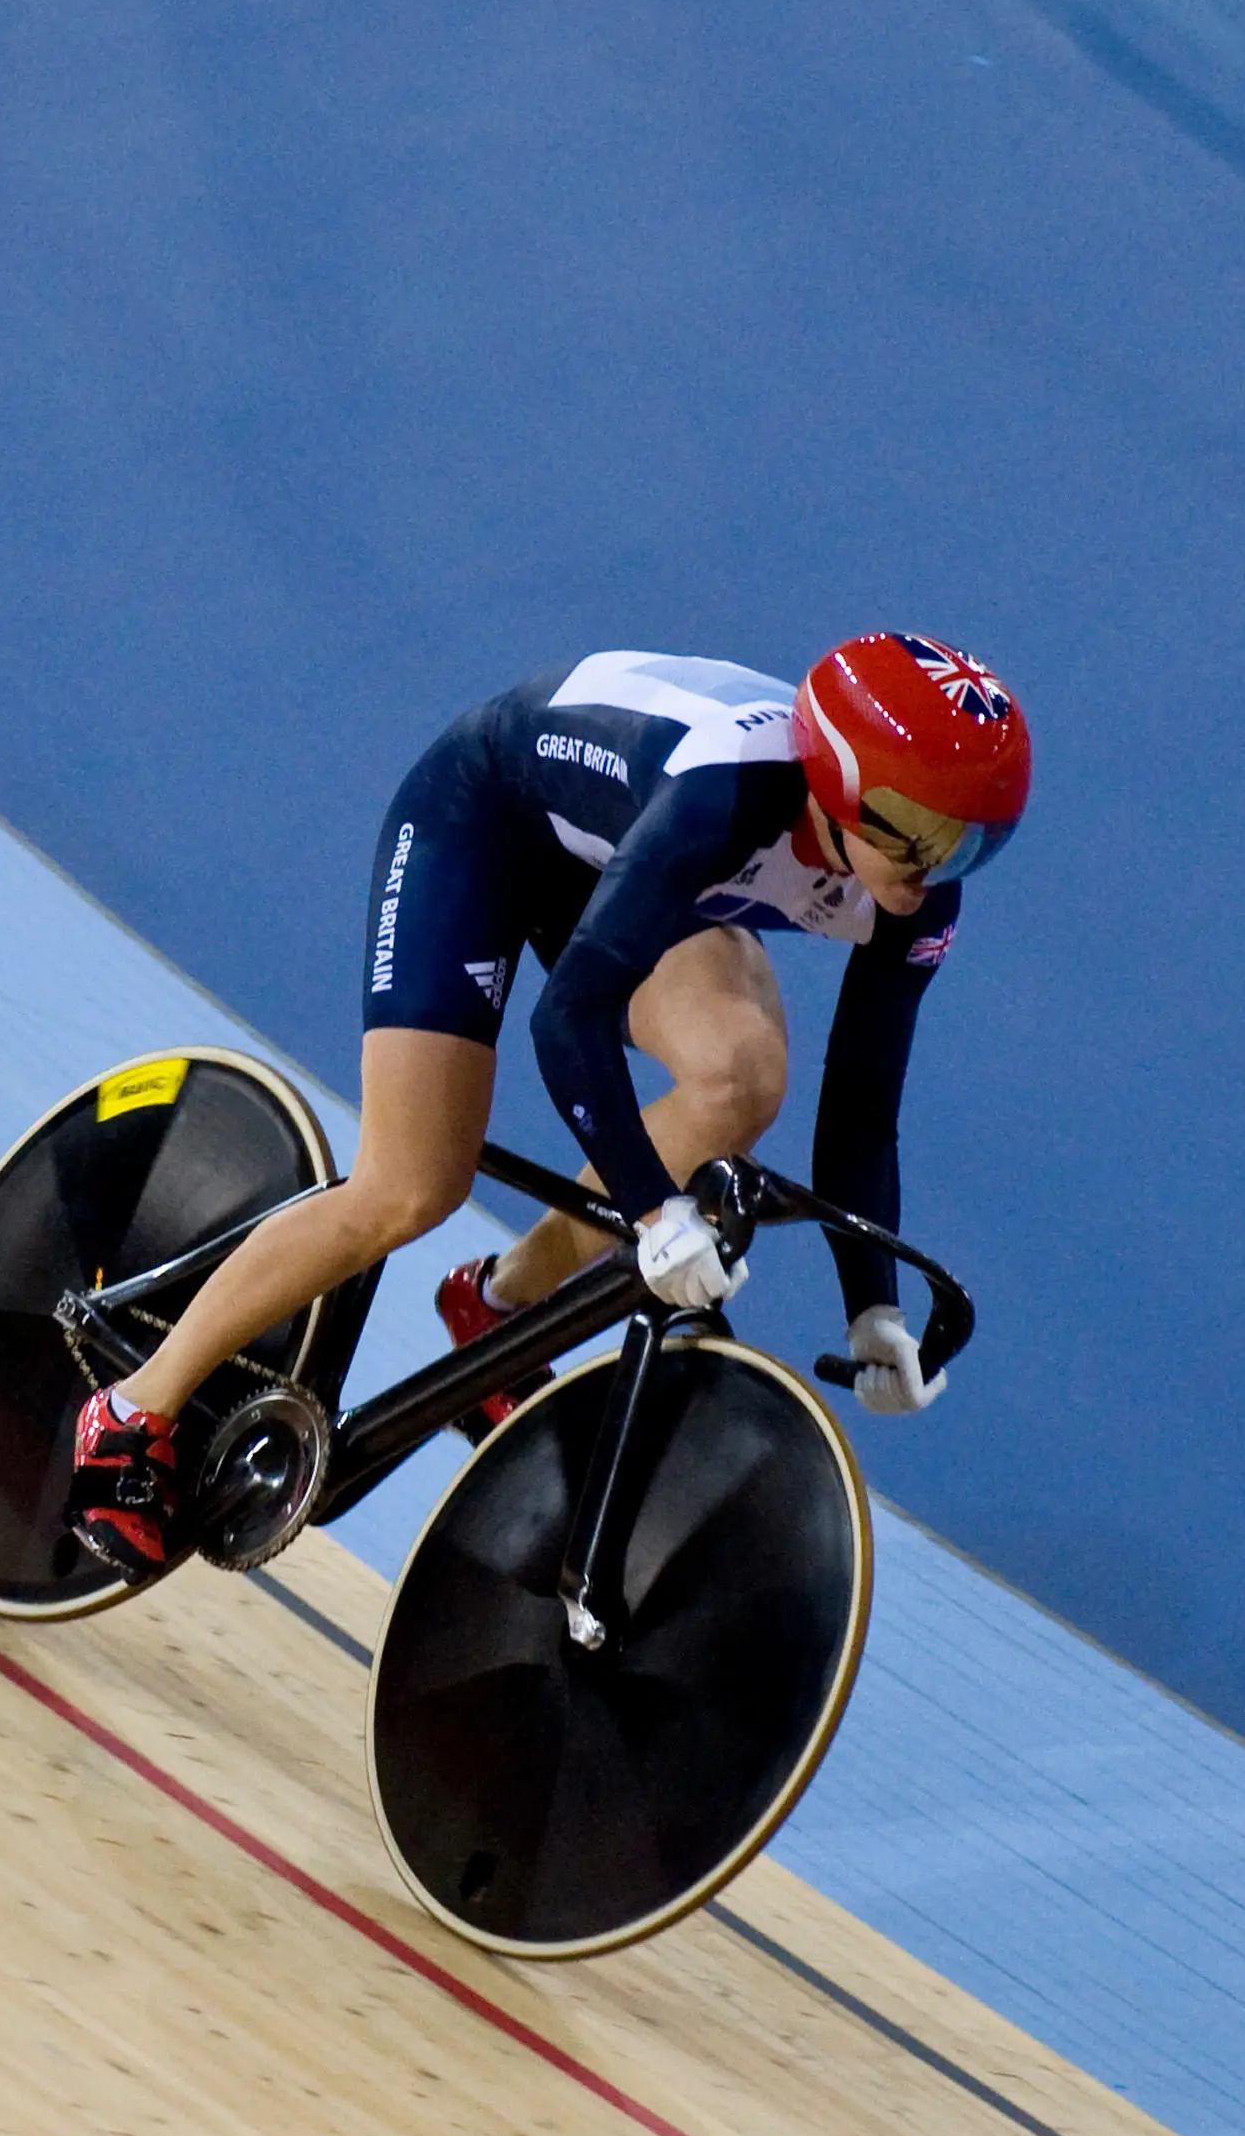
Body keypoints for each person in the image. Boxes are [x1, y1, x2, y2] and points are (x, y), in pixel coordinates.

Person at [64, 634, 1032, 1582]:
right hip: (482, 816)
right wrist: (656, 1212)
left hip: (622, 844)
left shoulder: (913, 892)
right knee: (409, 1185)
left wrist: (872, 1310)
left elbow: (861, 1102)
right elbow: (568, 1020)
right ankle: (130, 1412)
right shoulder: (724, 798)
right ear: (841, 787)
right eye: (926, 834)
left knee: (739, 1079)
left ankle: (494, 1307)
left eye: (971, 844)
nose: (940, 869)